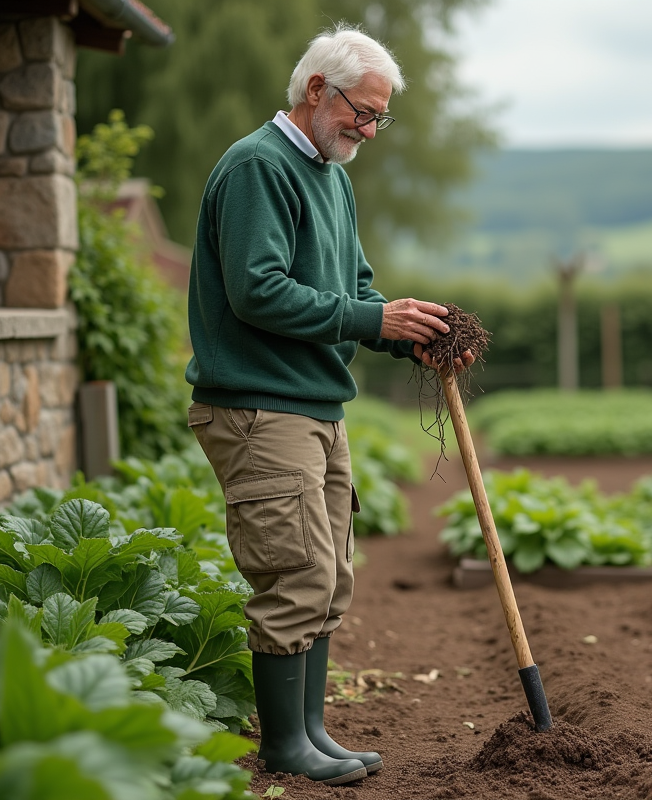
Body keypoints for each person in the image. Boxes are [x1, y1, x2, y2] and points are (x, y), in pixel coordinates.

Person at [184, 24, 472, 786]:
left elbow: (358, 289)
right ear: (316, 90)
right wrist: (369, 319)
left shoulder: (331, 177)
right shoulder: (258, 167)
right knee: (296, 574)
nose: (370, 130)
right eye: (361, 111)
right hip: (258, 406)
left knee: (330, 575)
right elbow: (258, 291)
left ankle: (311, 731)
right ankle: (284, 749)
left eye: (381, 117)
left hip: (314, 406)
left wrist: (410, 334)